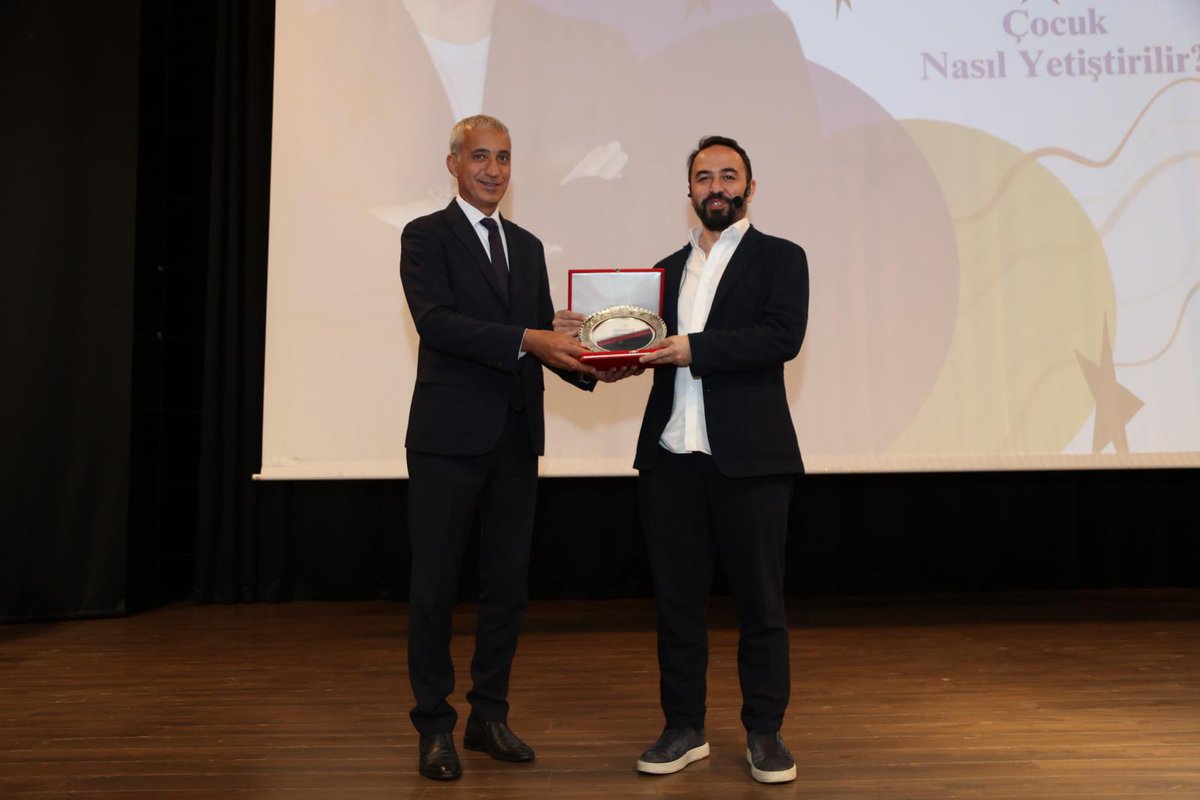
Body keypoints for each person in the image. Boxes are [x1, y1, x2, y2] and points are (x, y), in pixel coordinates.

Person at [560, 135, 809, 783]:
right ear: (690, 191)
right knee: (676, 605)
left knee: (761, 606)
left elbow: (781, 337)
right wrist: (590, 351)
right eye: (704, 177)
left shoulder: (781, 258)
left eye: (729, 175)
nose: (716, 187)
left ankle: (764, 734)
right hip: (671, 461)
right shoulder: (662, 272)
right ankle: (683, 728)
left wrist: (693, 348)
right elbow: (633, 349)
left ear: (750, 188)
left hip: (752, 462)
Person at [399, 114, 600, 781]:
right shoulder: (424, 236)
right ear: (453, 164)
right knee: (435, 587)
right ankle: (434, 724)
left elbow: (540, 337)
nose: (494, 170)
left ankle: (488, 715)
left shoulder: (528, 245)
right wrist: (529, 337)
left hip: (515, 438)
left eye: (504, 158)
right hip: (447, 440)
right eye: (480, 157)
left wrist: (594, 362)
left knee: (506, 586)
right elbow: (438, 323)